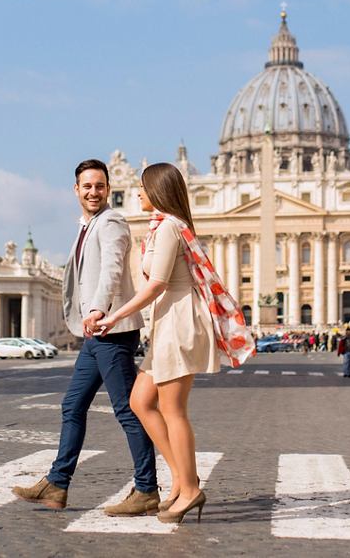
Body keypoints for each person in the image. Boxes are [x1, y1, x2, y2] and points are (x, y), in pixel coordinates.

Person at [94, 162, 253, 525]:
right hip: (169, 322)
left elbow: (157, 285)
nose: (137, 192)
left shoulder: (168, 228)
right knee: (140, 401)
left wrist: (115, 316)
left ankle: (190, 487)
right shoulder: (163, 227)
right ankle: (184, 479)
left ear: (158, 191)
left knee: (172, 409)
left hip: (179, 322)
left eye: (142, 187)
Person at [12, 159, 158, 515]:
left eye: (100, 186)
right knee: (72, 405)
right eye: (87, 186)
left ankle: (146, 488)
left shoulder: (111, 223)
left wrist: (97, 308)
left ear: (108, 189)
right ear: (76, 190)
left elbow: (110, 268)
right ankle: (57, 483)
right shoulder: (88, 224)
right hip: (96, 335)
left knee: (127, 410)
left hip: (111, 329)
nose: (94, 192)